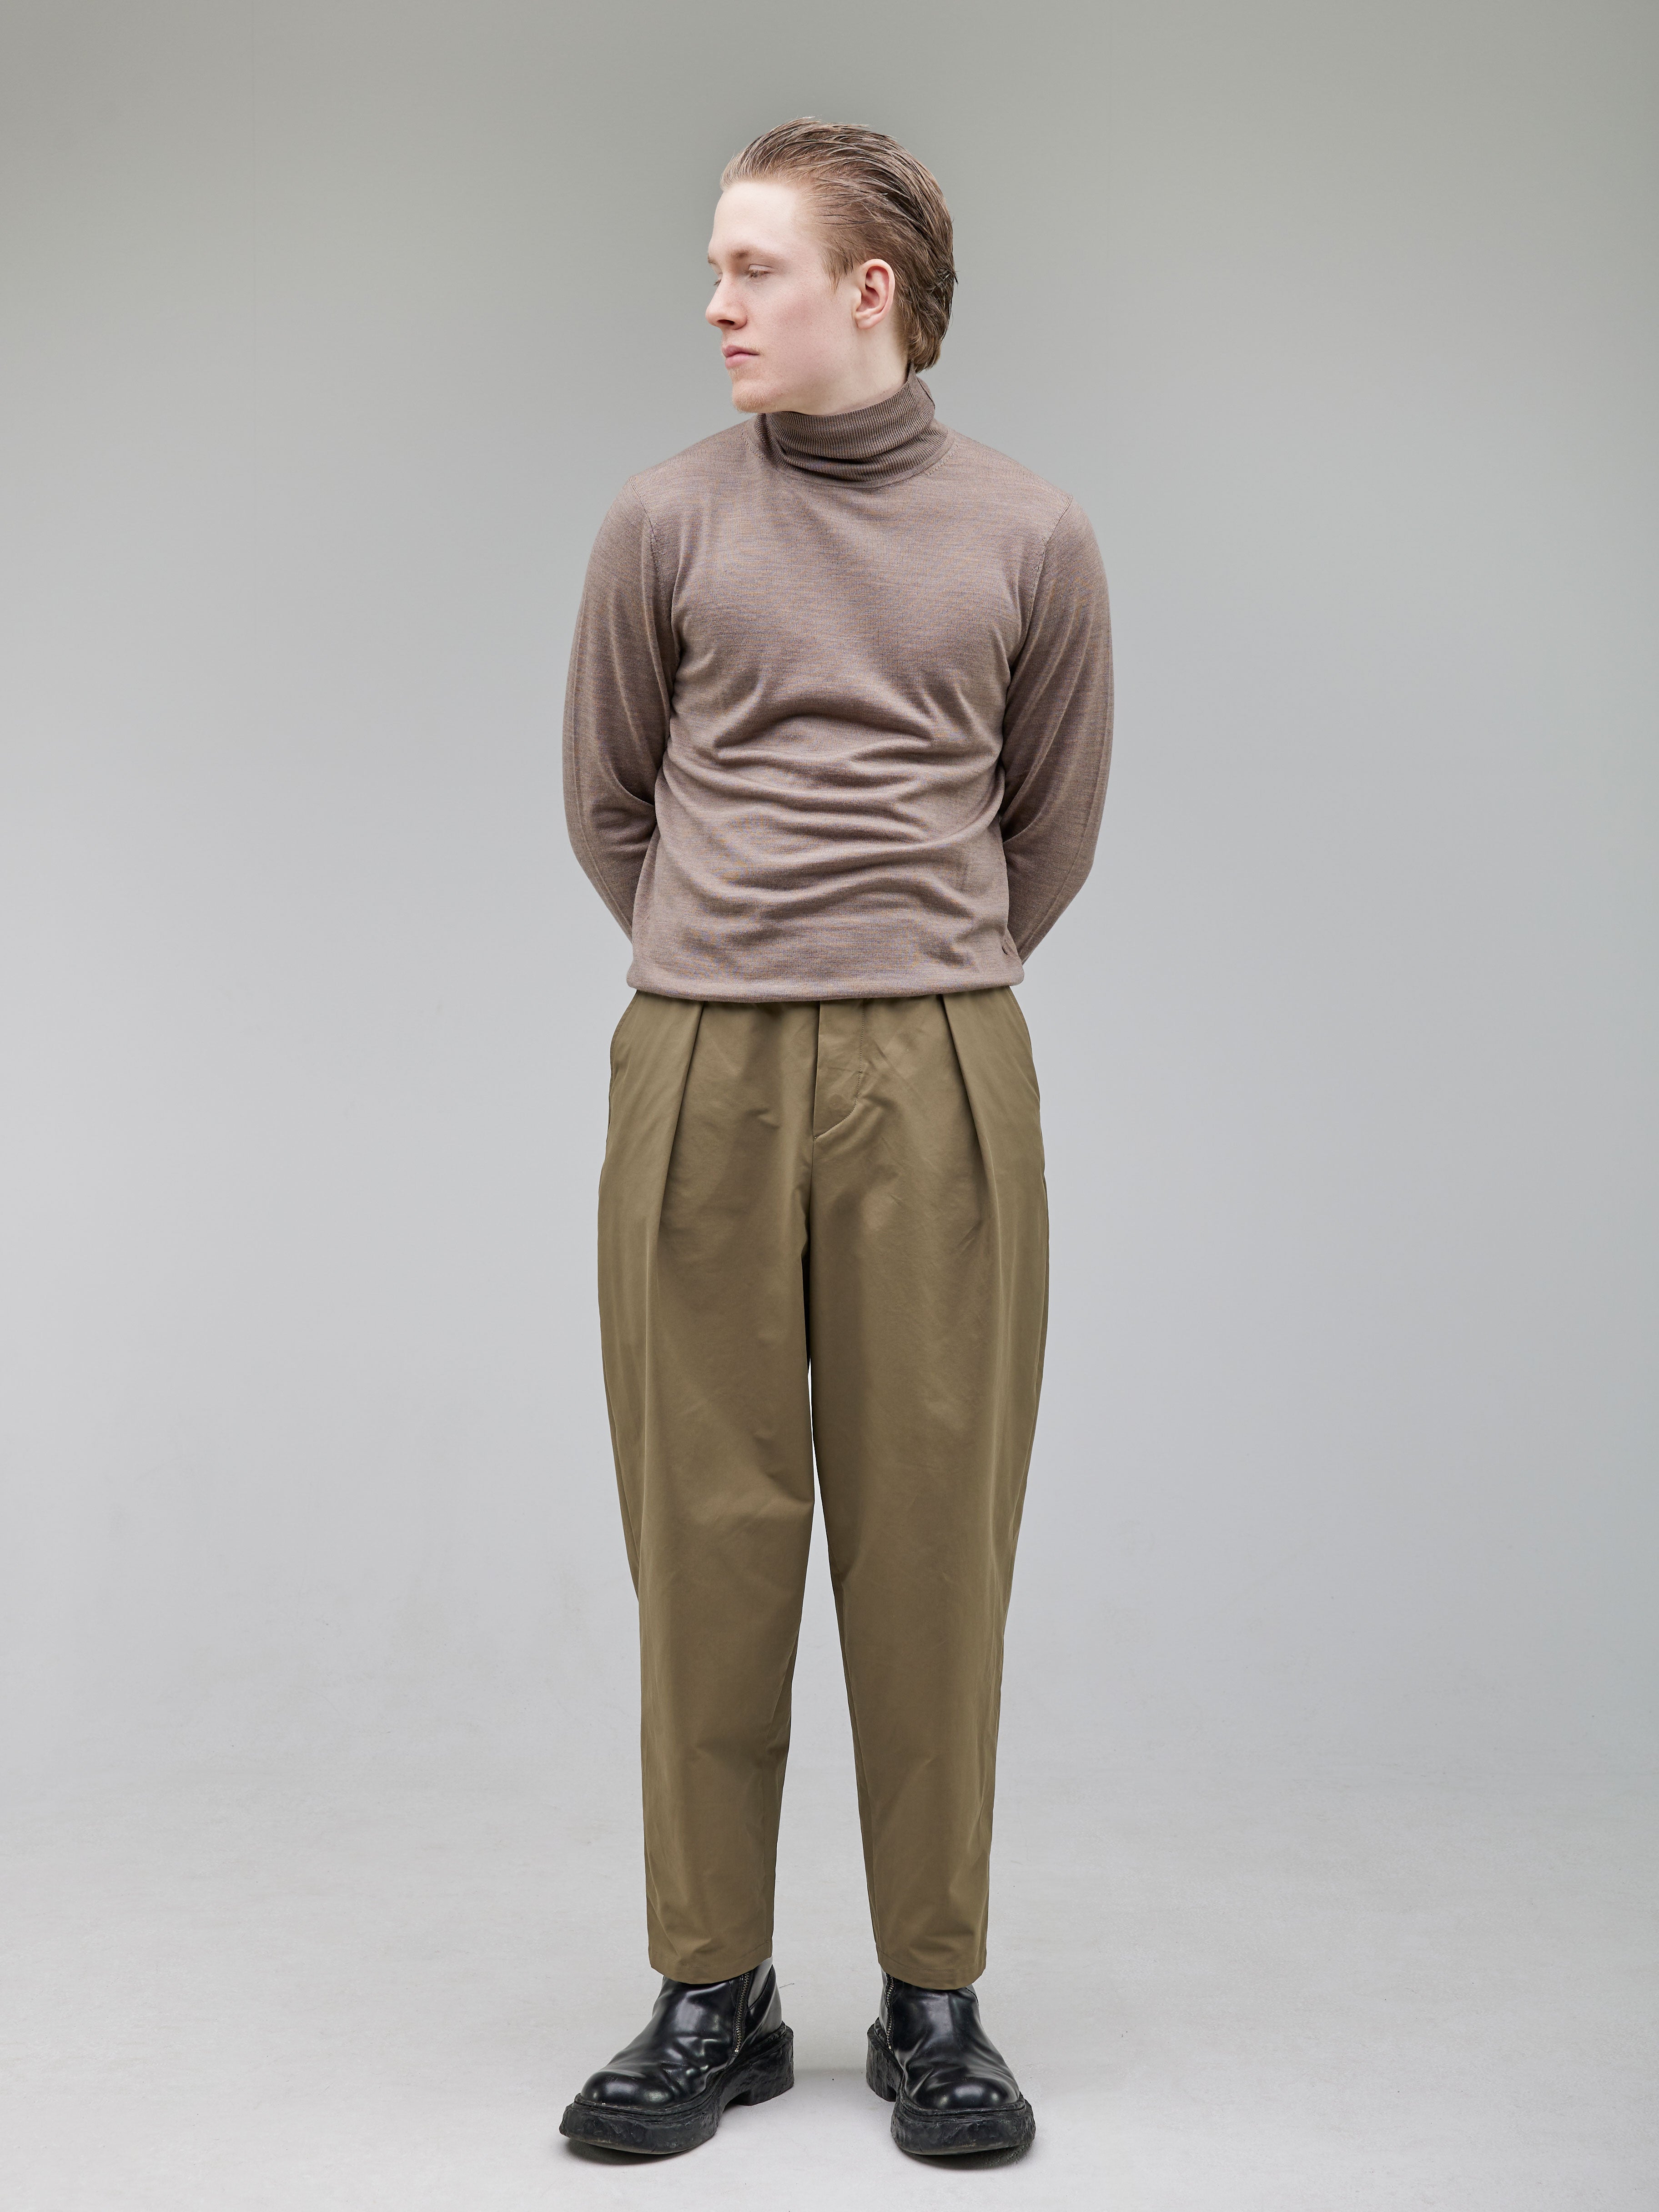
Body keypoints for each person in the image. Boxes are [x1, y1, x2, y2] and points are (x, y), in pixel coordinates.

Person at [557, 117, 1112, 2161]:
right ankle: (711, 1987)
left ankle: (934, 1998)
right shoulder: (664, 522)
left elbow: (1049, 823)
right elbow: (610, 799)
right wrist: (737, 954)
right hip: (699, 1062)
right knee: (703, 1534)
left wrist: (914, 970)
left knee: (934, 1534)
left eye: (752, 268)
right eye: (717, 268)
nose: (715, 303)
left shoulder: (1031, 534)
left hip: (941, 1068)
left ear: (867, 292)